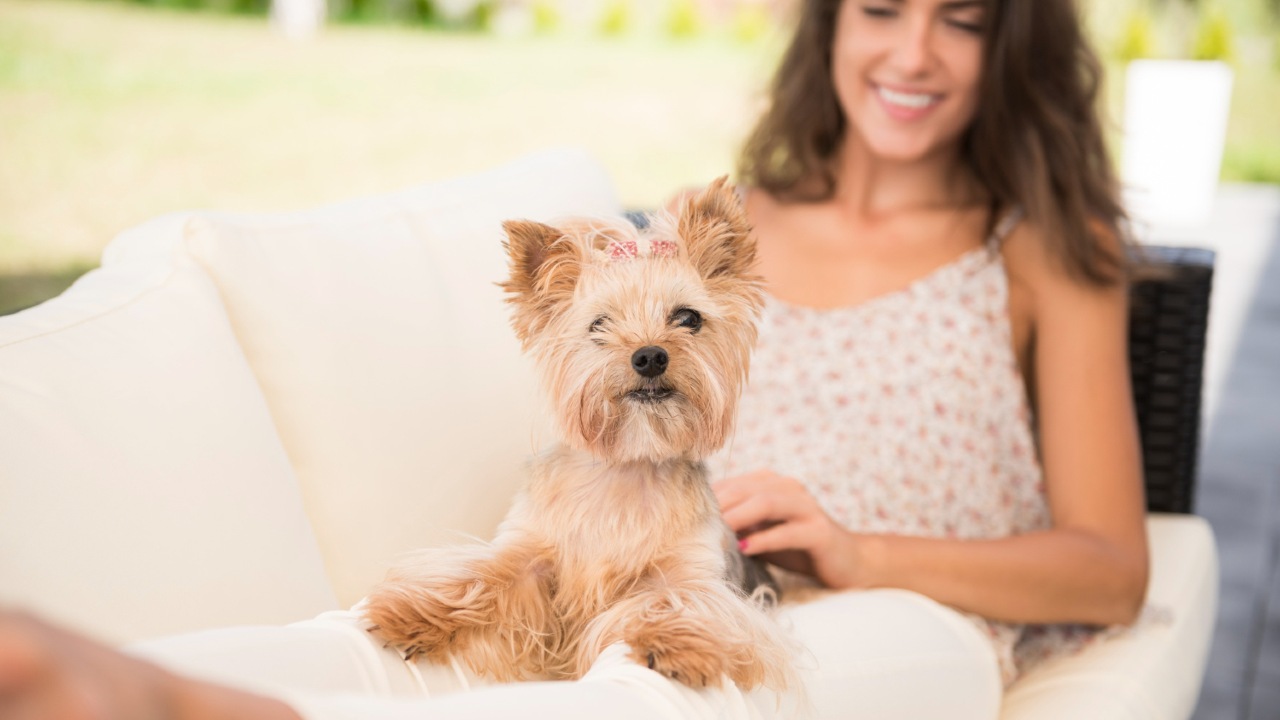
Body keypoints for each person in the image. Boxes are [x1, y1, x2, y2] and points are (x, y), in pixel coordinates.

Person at [0, 0, 1148, 718]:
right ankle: (122, 675)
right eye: (880, 8)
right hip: (657, 556)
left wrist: (857, 553)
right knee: (388, 647)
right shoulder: (723, 229)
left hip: (901, 617)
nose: (912, 50)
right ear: (830, 25)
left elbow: (1108, 568)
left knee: (646, 694)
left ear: (1010, 40)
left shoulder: (1046, 244)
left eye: (961, 17)